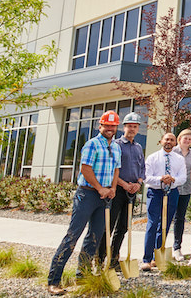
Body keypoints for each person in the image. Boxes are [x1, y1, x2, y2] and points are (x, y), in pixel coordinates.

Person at [47, 111, 121, 295]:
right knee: (73, 236)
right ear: (100, 126)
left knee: (94, 238)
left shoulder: (117, 147)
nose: (110, 129)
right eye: (107, 125)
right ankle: (53, 281)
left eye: (113, 126)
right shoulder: (92, 144)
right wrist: (100, 188)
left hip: (105, 197)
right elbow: (85, 169)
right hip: (87, 195)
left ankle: (82, 275)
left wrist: (112, 189)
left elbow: (116, 170)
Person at [97, 112, 145, 270]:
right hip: (116, 191)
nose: (132, 129)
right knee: (108, 226)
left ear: (138, 129)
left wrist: (138, 183)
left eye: (135, 127)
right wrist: (124, 184)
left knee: (123, 227)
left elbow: (142, 169)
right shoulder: (115, 145)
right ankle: (100, 259)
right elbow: (111, 169)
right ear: (123, 127)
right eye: (129, 126)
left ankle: (114, 258)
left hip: (131, 192)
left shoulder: (138, 147)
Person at [141, 133, 186, 271]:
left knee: (165, 224)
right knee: (153, 223)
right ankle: (147, 259)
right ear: (161, 141)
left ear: (175, 143)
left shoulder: (179, 159)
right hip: (155, 193)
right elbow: (146, 177)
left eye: (172, 140)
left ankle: (157, 256)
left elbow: (183, 177)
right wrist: (161, 179)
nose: (169, 142)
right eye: (167, 139)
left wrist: (172, 180)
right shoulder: (153, 158)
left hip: (172, 193)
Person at [172, 129, 191, 262]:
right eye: (185, 138)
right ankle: (158, 248)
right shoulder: (173, 151)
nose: (187, 141)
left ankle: (177, 247)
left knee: (180, 218)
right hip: (172, 189)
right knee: (165, 218)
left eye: (189, 139)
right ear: (179, 139)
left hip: (186, 189)